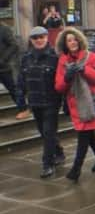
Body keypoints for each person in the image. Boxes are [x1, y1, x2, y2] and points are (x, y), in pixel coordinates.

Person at [54, 27, 95, 182]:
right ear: (65, 44)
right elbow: (58, 86)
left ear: (80, 40)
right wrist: (67, 78)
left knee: (84, 134)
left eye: (75, 39)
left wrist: (84, 70)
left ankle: (76, 169)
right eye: (69, 40)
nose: (73, 42)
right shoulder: (63, 61)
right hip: (75, 104)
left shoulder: (92, 57)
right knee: (88, 133)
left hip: (91, 103)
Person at [15, 26, 65, 177]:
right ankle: (58, 152)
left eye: (41, 37)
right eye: (35, 38)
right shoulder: (25, 58)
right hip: (35, 102)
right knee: (44, 132)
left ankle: (47, 164)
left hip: (51, 102)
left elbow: (62, 81)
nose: (38, 40)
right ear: (31, 40)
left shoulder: (55, 57)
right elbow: (21, 81)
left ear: (47, 37)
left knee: (49, 132)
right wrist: (21, 102)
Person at [0, 22, 30, 119]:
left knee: (13, 89)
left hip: (4, 67)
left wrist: (3, 59)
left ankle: (23, 109)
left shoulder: (4, 29)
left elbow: (14, 45)